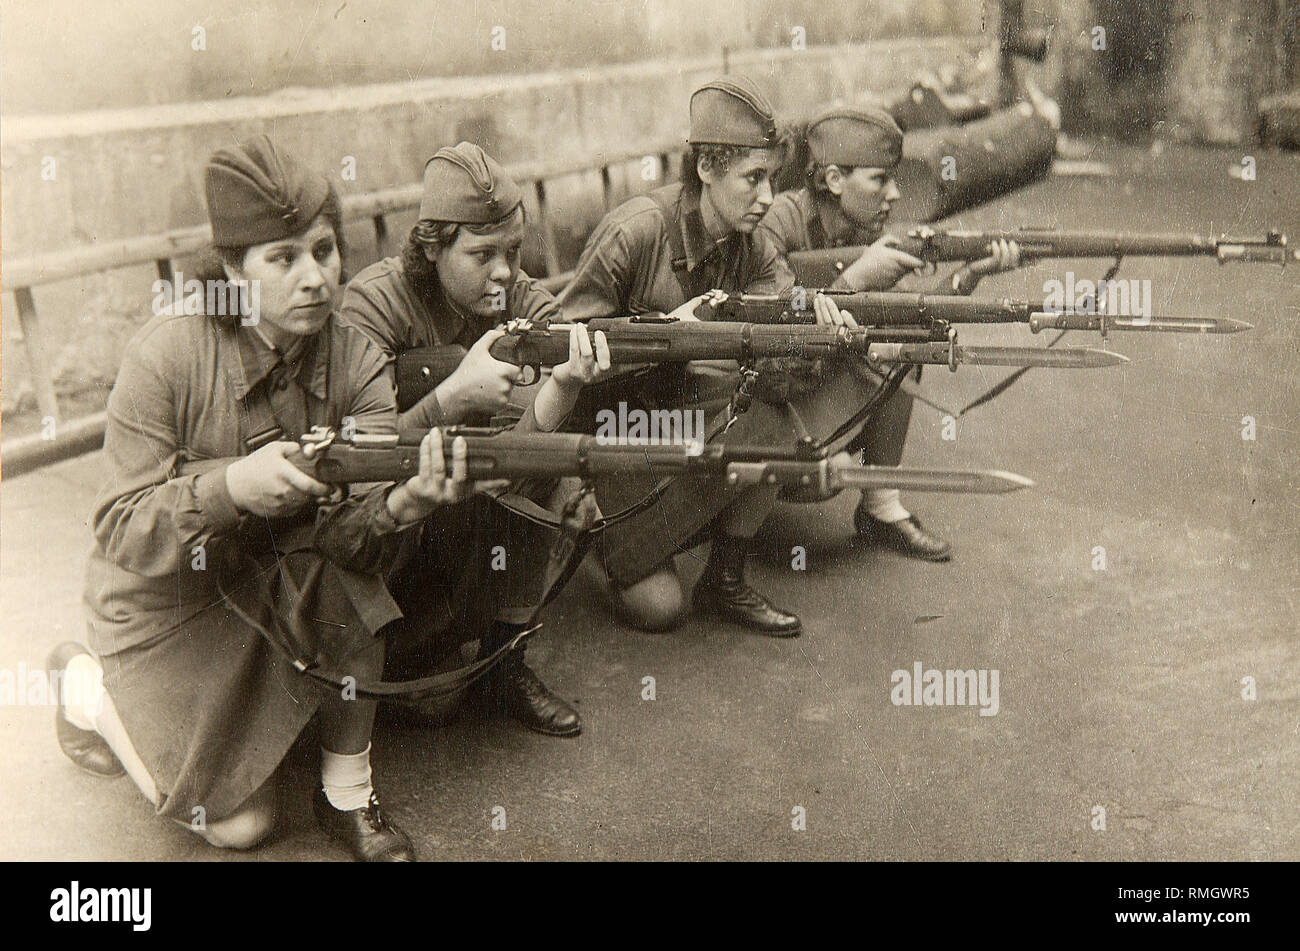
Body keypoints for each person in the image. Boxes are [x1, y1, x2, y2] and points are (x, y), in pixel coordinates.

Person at [52, 135, 473, 862]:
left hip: (275, 584)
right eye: (282, 259)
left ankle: (347, 790)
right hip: (165, 604)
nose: (314, 278)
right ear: (230, 271)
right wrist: (228, 488)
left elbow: (356, 540)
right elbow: (119, 528)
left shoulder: (357, 358)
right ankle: (83, 685)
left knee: (348, 572)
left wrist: (405, 504)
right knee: (240, 827)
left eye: (323, 249)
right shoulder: (168, 353)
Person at [341, 142, 610, 737]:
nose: (504, 272)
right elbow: (357, 459)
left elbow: (554, 345)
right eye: (482, 254)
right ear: (431, 247)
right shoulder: (373, 304)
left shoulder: (517, 298)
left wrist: (569, 377)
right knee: (429, 704)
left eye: (513, 251)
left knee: (538, 456)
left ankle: (503, 657)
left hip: (478, 498)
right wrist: (449, 398)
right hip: (397, 520)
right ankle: (411, 647)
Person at [557, 76, 802, 636]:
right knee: (661, 609)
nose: (768, 198)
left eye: (773, 180)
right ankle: (593, 529)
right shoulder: (637, 232)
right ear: (707, 170)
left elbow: (785, 316)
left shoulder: (752, 243)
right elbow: (561, 345)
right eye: (754, 179)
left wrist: (814, 321)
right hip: (615, 430)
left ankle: (725, 578)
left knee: (776, 423)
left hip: (683, 417)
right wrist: (669, 332)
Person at [759, 105, 1021, 561]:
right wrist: (857, 279)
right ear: (835, 180)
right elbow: (774, 338)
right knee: (825, 476)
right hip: (766, 396)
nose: (895, 194)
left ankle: (881, 506)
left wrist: (975, 271)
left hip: (814, 385)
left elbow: (921, 319)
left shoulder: (867, 228)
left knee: (903, 341)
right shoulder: (778, 223)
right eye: (879, 179)